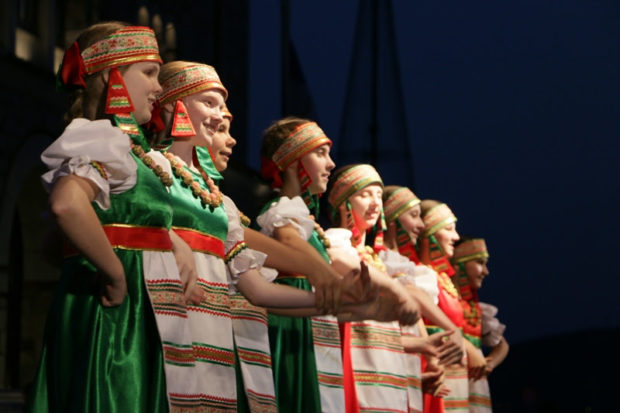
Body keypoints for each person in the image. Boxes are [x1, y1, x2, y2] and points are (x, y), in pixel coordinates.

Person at [28, 22, 199, 412]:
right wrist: (117, 273)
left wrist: (168, 240)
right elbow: (67, 205)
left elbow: (54, 246)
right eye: (149, 73)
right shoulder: (101, 139)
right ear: (111, 77)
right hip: (118, 316)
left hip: (130, 310)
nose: (158, 87)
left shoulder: (126, 149)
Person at [156, 61, 332, 412]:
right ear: (173, 105)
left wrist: (335, 300)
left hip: (216, 341)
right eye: (210, 103)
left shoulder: (218, 202)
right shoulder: (152, 169)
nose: (222, 119)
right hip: (169, 331)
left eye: (222, 107)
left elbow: (257, 289)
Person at [325, 164, 422, 413]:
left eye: (379, 195)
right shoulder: (337, 240)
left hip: (386, 363)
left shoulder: (375, 258)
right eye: (365, 194)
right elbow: (336, 256)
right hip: (359, 360)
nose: (375, 203)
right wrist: (396, 290)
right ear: (344, 202)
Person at [382, 186, 468, 409]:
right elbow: (413, 297)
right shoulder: (380, 260)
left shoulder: (409, 269)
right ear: (391, 217)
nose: (421, 225)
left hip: (422, 359)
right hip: (395, 357)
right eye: (414, 216)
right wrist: (448, 337)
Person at [418, 200, 486, 413]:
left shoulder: (442, 279)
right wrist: (469, 348)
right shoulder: (420, 277)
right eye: (448, 229)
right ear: (430, 233)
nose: (456, 237)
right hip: (435, 370)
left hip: (454, 374)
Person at [452, 237, 509, 412]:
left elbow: (502, 345)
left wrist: (488, 364)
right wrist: (469, 349)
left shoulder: (474, 308)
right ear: (460, 264)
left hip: (474, 386)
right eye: (479, 263)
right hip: (452, 379)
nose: (486, 271)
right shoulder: (444, 300)